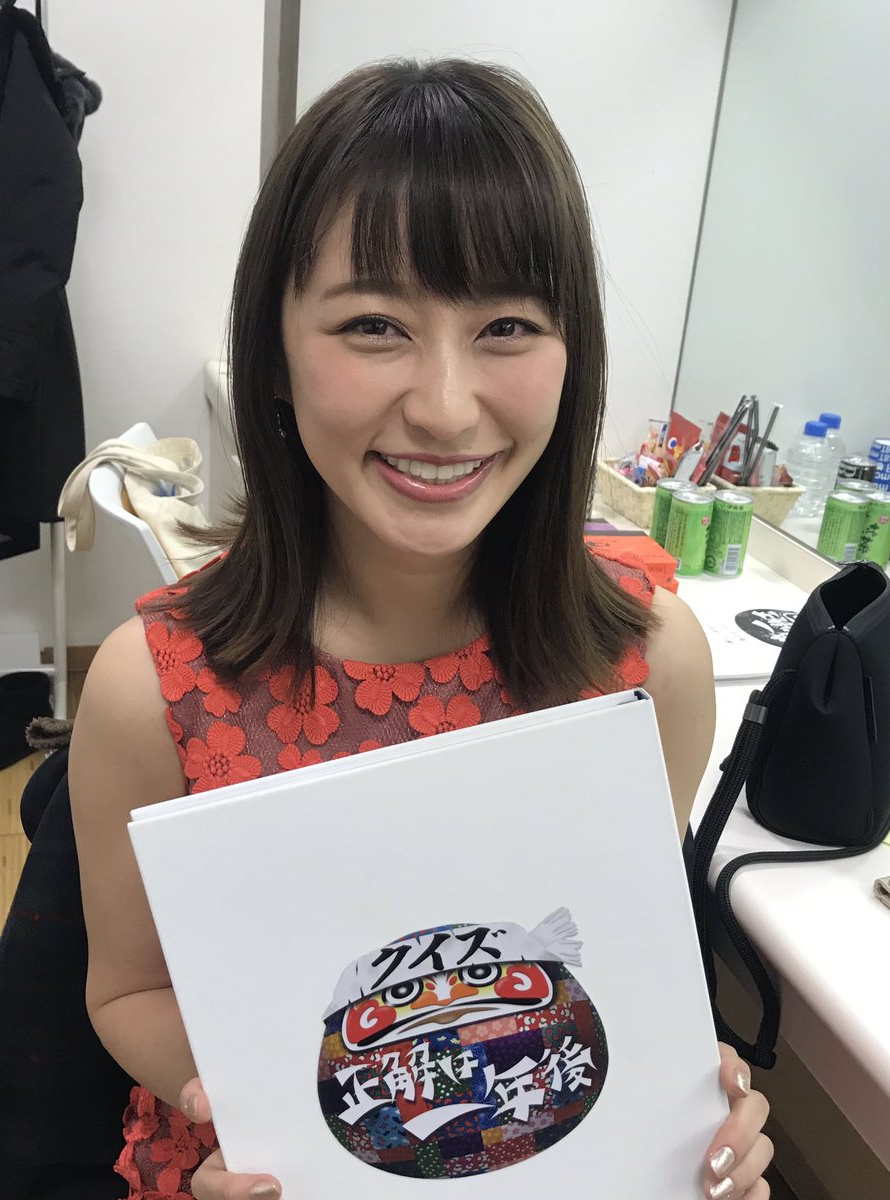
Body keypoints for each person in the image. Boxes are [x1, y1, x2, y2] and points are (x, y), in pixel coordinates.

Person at [70, 58, 774, 1200]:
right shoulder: (153, 691)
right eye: (374, 325)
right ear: (274, 354)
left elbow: (614, 969)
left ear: (574, 354)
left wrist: (676, 1104)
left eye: (507, 325)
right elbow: (129, 993)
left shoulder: (650, 668)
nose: (446, 408)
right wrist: (298, 1120)